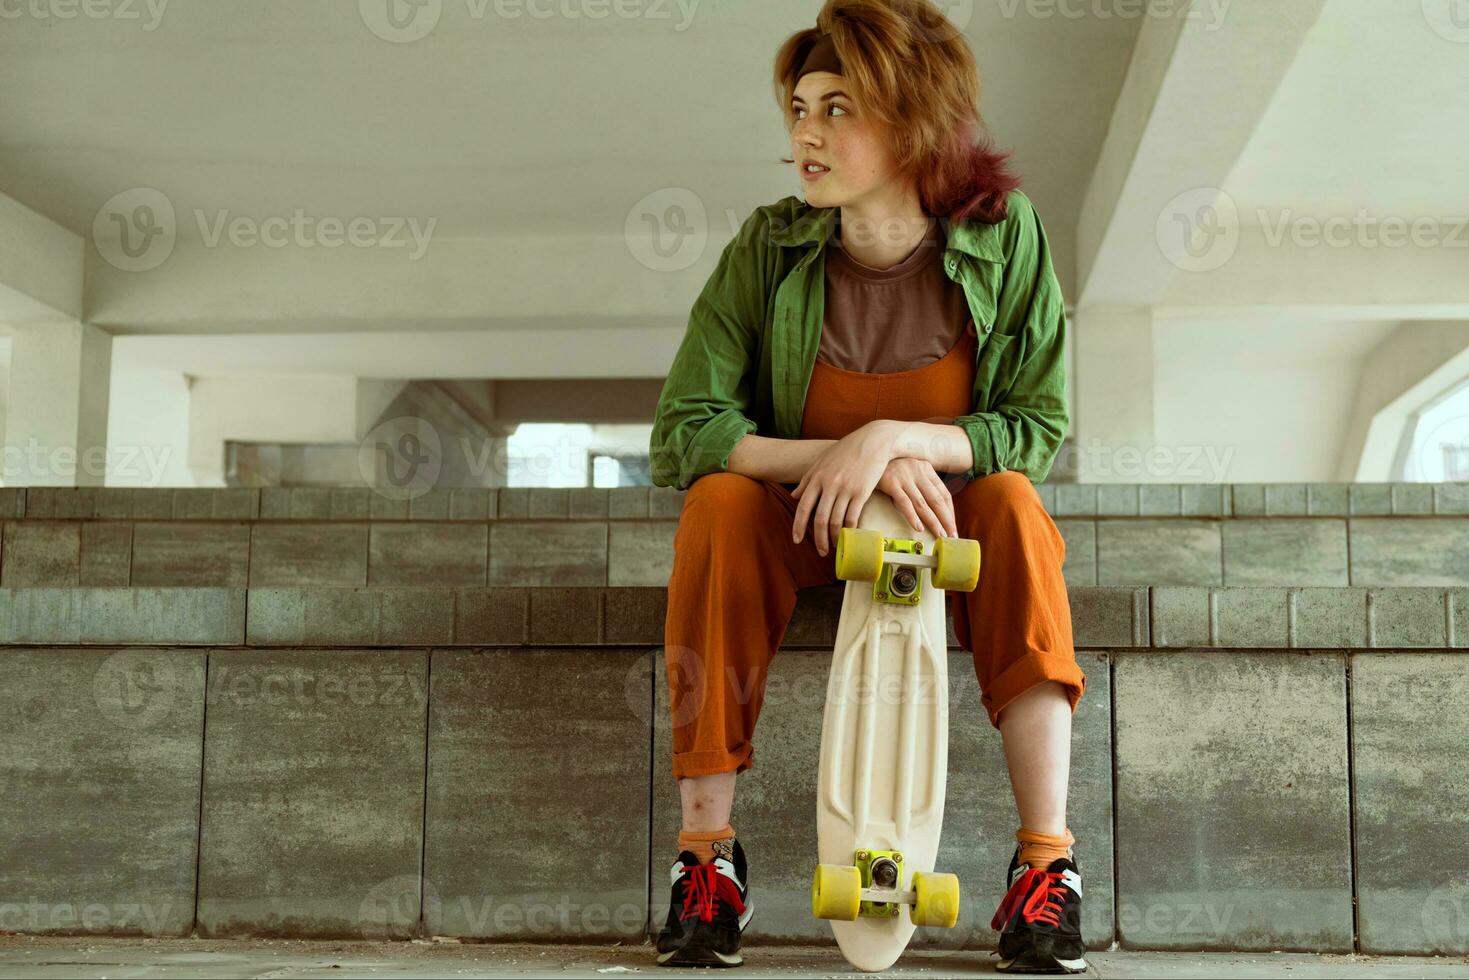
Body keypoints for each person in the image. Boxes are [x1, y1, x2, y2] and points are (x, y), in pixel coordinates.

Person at [647, 0, 1087, 970]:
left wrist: (896, 438)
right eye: (799, 107)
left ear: (910, 117)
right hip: (810, 517)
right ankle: (706, 860)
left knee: (1014, 505)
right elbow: (684, 429)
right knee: (716, 503)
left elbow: (1035, 425)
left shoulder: (1002, 238)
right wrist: (838, 457)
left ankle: (1043, 868)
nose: (805, 131)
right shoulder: (767, 248)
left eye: (837, 107)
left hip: (946, 523)